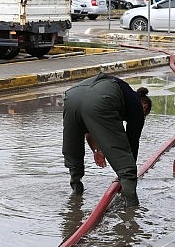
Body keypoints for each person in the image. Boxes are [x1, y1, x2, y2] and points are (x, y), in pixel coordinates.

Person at [62, 72, 152, 207]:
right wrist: (126, 173)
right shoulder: (136, 105)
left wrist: (97, 150)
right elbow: (131, 143)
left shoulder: (122, 90)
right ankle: (132, 208)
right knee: (126, 166)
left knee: (72, 148)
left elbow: (89, 130)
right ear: (144, 106)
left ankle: (76, 194)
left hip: (71, 97)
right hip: (101, 99)